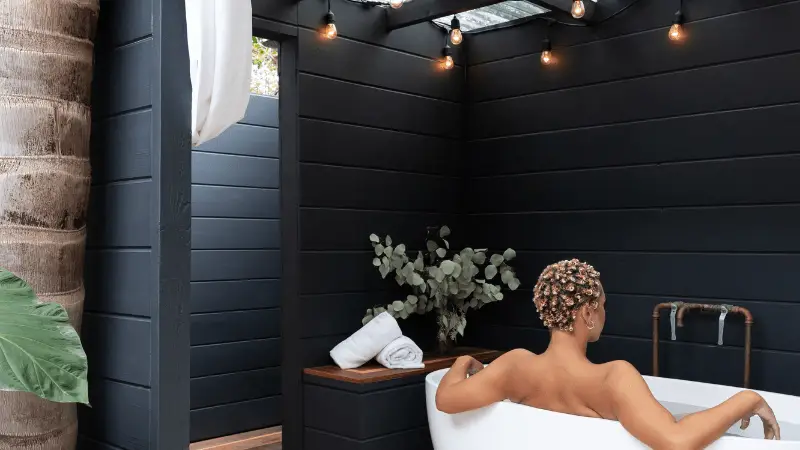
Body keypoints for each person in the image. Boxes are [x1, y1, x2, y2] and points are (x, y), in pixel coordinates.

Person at [435, 258, 781, 449]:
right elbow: (677, 442)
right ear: (586, 313)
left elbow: (446, 399)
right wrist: (747, 399)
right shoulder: (613, 378)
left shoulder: (513, 365)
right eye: (602, 306)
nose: (604, 313)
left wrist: (463, 361)